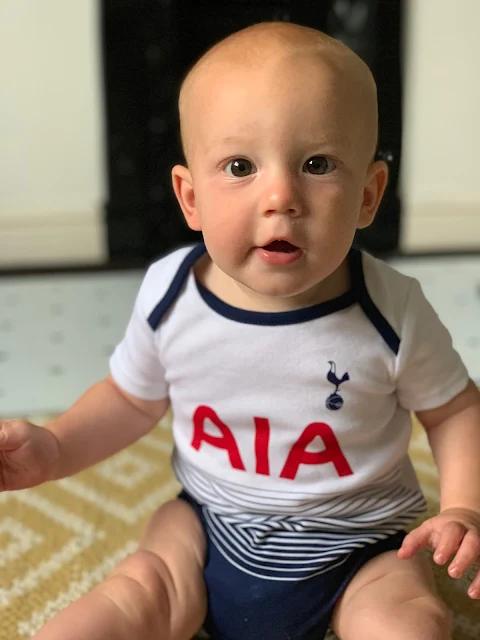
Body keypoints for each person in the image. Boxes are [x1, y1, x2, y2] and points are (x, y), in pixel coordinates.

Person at [1, 21, 480, 640]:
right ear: (190, 196)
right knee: (139, 589)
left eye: (316, 163)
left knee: (405, 621)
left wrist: (463, 505)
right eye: (239, 165)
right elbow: (128, 398)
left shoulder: (393, 310)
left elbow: (455, 410)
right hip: (208, 525)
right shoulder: (170, 294)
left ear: (368, 195)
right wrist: (57, 448)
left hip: (360, 541)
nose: (281, 196)